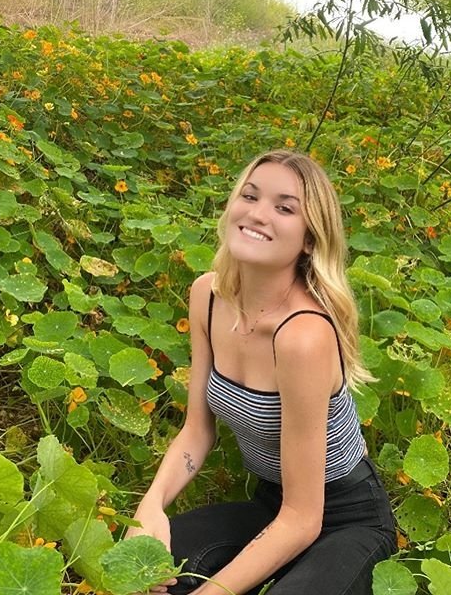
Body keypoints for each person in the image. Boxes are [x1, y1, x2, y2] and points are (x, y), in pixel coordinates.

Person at [126, 150, 397, 595]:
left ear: (309, 239)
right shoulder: (207, 297)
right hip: (273, 505)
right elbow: (197, 431)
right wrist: (150, 507)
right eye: (250, 196)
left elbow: (303, 519)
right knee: (147, 572)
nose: (257, 214)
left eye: (284, 208)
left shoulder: (303, 336)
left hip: (346, 518)